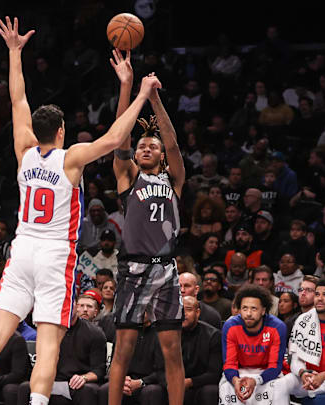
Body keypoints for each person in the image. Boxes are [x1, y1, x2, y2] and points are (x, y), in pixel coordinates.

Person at [0, 17, 159, 405]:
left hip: (22, 250)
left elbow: (18, 99)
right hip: (55, 254)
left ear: (37, 130)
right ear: (62, 131)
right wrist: (140, 90)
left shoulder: (23, 151)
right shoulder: (72, 160)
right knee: (49, 338)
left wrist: (14, 53)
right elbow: (118, 137)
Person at [108, 46, 186, 405]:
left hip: (167, 269)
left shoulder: (174, 181)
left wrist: (155, 99)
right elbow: (119, 137)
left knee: (172, 351)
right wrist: (128, 88)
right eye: (141, 146)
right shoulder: (127, 178)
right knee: (123, 349)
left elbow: (172, 142)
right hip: (134, 267)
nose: (146, 148)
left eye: (151, 146)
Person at [18, 301, 105, 405]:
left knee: (87, 390)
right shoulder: (46, 331)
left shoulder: (94, 333)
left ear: (76, 306)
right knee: (25, 387)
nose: (65, 308)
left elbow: (99, 370)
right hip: (50, 381)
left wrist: (84, 377)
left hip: (75, 383)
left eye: (68, 303)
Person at [219, 285, 287, 405]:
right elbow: (229, 364)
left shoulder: (277, 327)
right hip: (239, 372)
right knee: (227, 387)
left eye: (254, 309)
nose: (249, 313)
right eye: (244, 308)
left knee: (280, 387)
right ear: (239, 310)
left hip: (266, 373)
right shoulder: (230, 326)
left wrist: (257, 380)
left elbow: (275, 366)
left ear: (263, 310)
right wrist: (235, 381)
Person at [179, 296, 222, 405]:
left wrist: (190, 382)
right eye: (181, 310)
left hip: (202, 384)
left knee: (209, 391)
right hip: (177, 382)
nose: (184, 314)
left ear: (197, 312)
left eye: (188, 310)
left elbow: (214, 373)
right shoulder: (171, 334)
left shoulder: (213, 335)